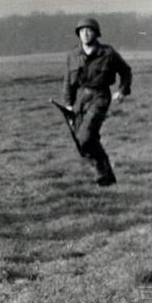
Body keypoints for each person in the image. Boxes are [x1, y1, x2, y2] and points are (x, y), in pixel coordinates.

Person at [62, 18, 132, 186]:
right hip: (80, 98)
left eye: (89, 30)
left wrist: (122, 91)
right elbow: (68, 81)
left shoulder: (107, 53)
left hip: (100, 96)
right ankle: (107, 175)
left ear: (96, 33)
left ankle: (101, 171)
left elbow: (126, 71)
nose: (85, 34)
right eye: (82, 31)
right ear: (78, 34)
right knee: (82, 141)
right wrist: (68, 104)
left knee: (86, 138)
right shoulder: (73, 55)